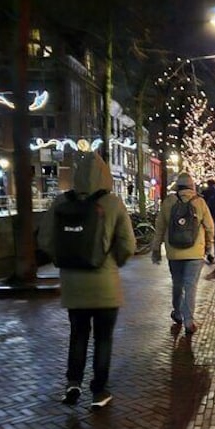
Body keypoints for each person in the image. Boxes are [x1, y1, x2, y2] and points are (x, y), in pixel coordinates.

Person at [37, 153, 136, 410]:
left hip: (73, 286)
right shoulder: (112, 203)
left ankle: (73, 383)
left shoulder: (60, 202)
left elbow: (45, 240)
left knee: (78, 335)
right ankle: (99, 391)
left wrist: (65, 260)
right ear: (105, 176)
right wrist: (114, 262)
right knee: (103, 339)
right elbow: (128, 244)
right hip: (105, 286)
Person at [151, 172, 215, 334]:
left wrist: (156, 248)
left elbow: (159, 227)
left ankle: (177, 313)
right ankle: (188, 321)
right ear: (192, 186)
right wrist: (208, 246)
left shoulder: (169, 202)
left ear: (178, 186)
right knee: (190, 286)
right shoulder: (200, 202)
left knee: (177, 284)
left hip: (173, 251)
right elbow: (209, 226)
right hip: (195, 252)